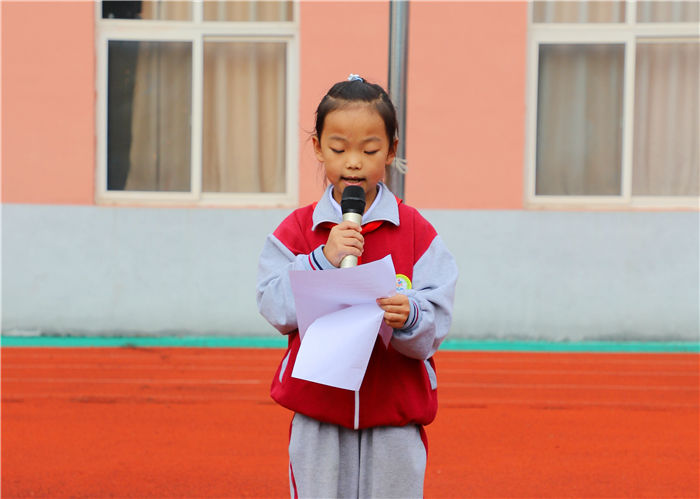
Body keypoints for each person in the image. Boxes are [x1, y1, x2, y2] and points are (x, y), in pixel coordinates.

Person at [256, 74, 457, 498]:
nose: (353, 162)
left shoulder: (417, 232)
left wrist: (410, 315)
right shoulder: (296, 230)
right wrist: (319, 261)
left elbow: (437, 320)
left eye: (369, 150)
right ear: (317, 148)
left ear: (391, 151)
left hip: (394, 423)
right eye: (338, 148)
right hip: (319, 417)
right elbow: (274, 306)